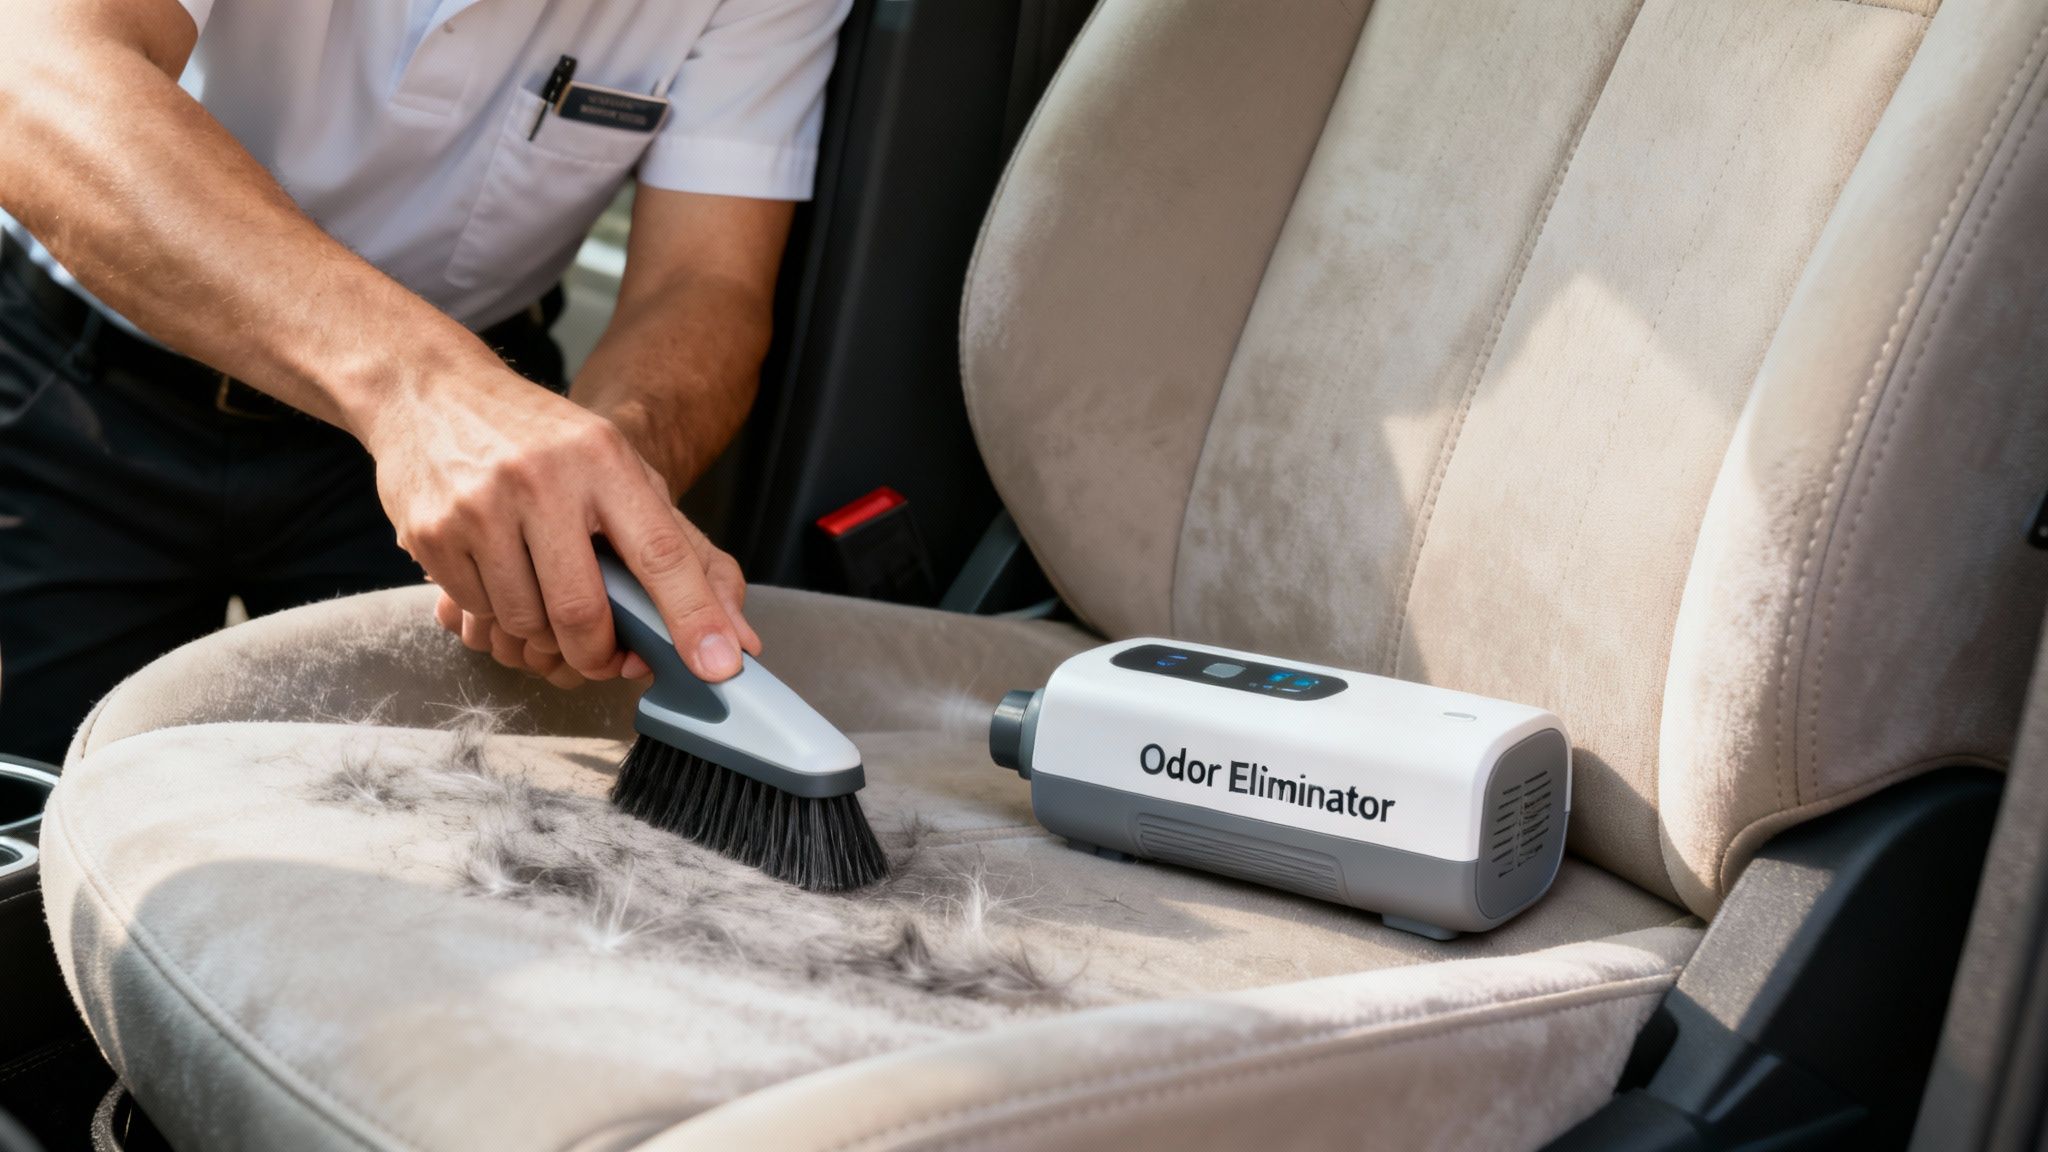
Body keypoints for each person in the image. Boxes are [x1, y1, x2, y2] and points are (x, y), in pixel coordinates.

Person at [0, 0, 852, 763]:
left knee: (431, 844)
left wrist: (594, 488)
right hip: (74, 392)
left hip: (472, 454)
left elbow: (705, 283)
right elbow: (37, 79)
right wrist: (419, 389)